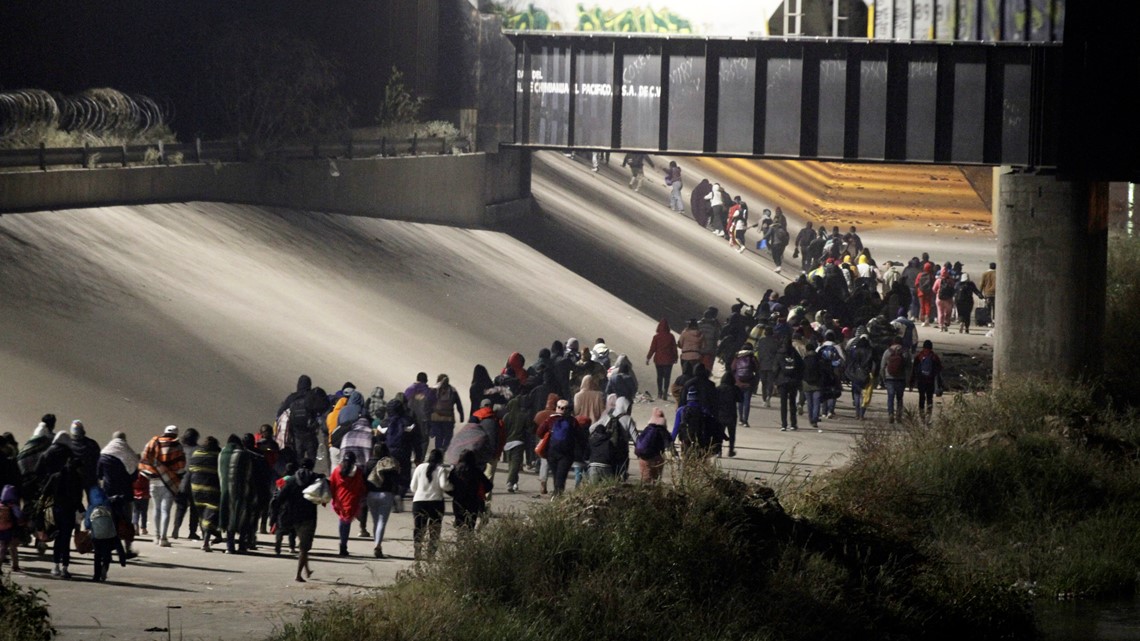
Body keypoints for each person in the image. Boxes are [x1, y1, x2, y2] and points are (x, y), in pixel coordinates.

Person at [138, 425, 186, 547]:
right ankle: (163, 538)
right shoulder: (177, 446)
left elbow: (144, 459)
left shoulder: (153, 442)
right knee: (166, 510)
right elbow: (180, 466)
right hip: (169, 482)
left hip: (154, 480)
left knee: (156, 509)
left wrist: (154, 470)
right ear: (175, 434)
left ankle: (156, 536)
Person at [274, 458, 321, 581]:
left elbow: (280, 498)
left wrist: (276, 515)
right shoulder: (315, 480)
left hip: (293, 516)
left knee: (302, 546)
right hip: (308, 517)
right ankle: (298, 575)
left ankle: (307, 570)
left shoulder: (291, 480)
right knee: (304, 548)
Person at [97, 431, 138, 558]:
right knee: (126, 520)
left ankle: (107, 548)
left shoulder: (103, 455)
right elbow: (134, 476)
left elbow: (98, 474)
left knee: (109, 520)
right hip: (126, 494)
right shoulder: (130, 454)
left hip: (108, 493)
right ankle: (127, 549)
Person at [409, 448, 452, 561]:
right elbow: (444, 485)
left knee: (419, 528)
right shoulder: (440, 469)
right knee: (434, 530)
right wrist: (452, 487)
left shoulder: (419, 467)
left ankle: (417, 551)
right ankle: (431, 554)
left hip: (419, 502)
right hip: (436, 503)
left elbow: (413, 487)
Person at [538, 400, 583, 497]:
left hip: (552, 451)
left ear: (557, 408)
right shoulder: (573, 421)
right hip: (567, 453)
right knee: (561, 475)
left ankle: (556, 493)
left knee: (555, 474)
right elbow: (580, 436)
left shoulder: (550, 419)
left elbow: (539, 432)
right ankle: (558, 494)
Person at [363, 443, 399, 558]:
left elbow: (364, 479)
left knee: (375, 521)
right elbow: (395, 480)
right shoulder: (390, 463)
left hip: (371, 495)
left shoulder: (369, 463)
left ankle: (376, 544)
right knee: (382, 522)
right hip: (386, 494)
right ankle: (378, 545)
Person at [84, 486, 126, 582]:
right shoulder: (108, 503)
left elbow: (87, 523)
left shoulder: (91, 506)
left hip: (96, 535)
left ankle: (96, 576)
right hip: (109, 533)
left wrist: (88, 528)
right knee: (107, 554)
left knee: (97, 555)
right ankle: (105, 568)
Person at [188, 436, 221, 552]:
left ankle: (205, 539)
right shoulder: (218, 455)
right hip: (212, 489)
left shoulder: (197, 453)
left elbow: (191, 469)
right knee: (210, 515)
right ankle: (206, 542)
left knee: (202, 515)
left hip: (196, 489)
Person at [329, 450, 365, 557]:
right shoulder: (358, 472)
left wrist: (333, 497)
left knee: (342, 520)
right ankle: (343, 544)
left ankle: (342, 543)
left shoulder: (336, 471)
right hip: (352, 501)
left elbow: (332, 486)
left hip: (340, 500)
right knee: (346, 523)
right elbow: (361, 486)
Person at [448, 449, 492, 532]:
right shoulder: (476, 471)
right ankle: (468, 543)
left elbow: (447, 485)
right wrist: (479, 491)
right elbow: (489, 485)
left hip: (458, 501)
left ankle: (460, 542)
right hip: (473, 501)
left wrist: (454, 493)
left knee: (460, 525)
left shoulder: (455, 471)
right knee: (470, 526)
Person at [171, 427, 201, 541]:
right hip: (195, 482)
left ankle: (176, 529)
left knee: (180, 507)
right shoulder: (199, 450)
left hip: (180, 483)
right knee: (194, 510)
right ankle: (192, 532)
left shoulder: (180, 448)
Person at [634, 408, 673, 484]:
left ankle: (644, 494)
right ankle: (655, 494)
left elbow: (639, 441)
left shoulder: (647, 429)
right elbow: (669, 444)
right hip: (657, 459)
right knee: (656, 481)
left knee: (646, 481)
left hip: (644, 459)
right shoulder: (663, 431)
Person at [909, 340, 944, 424]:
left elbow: (913, 370)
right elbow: (939, 370)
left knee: (921, 398)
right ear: (931, 347)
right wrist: (940, 384)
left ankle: (922, 417)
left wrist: (911, 383)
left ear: (923, 347)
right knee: (929, 398)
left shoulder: (919, 356)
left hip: (921, 381)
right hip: (930, 381)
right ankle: (928, 416)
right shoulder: (934, 357)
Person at [428, 374, 464, 453]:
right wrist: (461, 415)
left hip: (435, 417)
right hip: (449, 418)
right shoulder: (453, 390)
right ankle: (443, 450)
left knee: (438, 436)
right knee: (448, 436)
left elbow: (428, 403)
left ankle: (438, 452)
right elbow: (458, 403)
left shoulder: (433, 389)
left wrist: (428, 416)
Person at [775, 337, 804, 431]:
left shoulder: (779, 354)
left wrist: (775, 380)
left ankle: (784, 424)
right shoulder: (795, 353)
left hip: (782, 381)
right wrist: (799, 379)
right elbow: (801, 366)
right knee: (792, 403)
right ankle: (793, 424)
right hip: (793, 381)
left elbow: (775, 368)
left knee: (783, 404)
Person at [645, 318, 678, 401]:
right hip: (668, 360)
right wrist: (675, 357)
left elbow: (652, 349)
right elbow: (674, 348)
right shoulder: (671, 336)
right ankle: (665, 392)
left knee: (659, 376)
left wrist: (648, 358)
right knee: (667, 377)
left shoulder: (656, 337)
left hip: (658, 360)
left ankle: (659, 392)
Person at [844, 334, 874, 420]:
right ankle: (862, 414)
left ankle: (857, 412)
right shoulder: (870, 351)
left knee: (856, 394)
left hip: (855, 374)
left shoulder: (855, 350)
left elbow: (850, 362)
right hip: (867, 374)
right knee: (866, 395)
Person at [880, 336, 909, 424]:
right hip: (901, 378)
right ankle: (899, 415)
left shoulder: (887, 351)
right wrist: (908, 379)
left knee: (890, 397)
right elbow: (909, 367)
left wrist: (883, 378)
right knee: (899, 398)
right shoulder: (905, 352)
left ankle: (890, 414)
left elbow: (882, 367)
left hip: (889, 378)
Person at [697, 307, 721, 371]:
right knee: (705, 371)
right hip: (708, 352)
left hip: (697, 350)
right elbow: (717, 338)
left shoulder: (698, 324)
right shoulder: (716, 327)